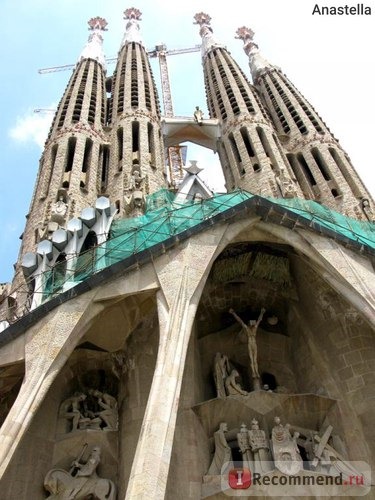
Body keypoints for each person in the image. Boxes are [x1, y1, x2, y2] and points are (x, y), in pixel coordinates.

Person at [229, 308, 266, 378]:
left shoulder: (254, 328)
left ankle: (256, 372)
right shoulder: (248, 329)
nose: (252, 325)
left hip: (253, 344)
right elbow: (240, 321)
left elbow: (259, 320)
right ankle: (253, 373)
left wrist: (262, 312)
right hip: (251, 344)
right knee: (252, 359)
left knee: (254, 359)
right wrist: (233, 313)